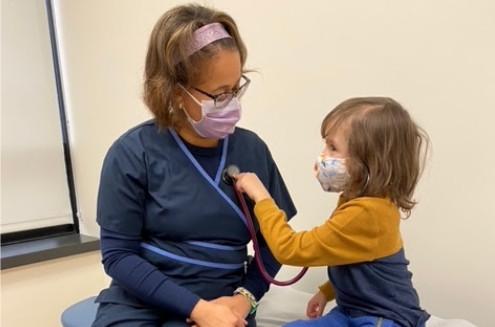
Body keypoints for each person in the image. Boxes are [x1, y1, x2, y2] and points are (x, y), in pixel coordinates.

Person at [92, 4, 296, 327]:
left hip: (225, 302)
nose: (231, 103)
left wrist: (245, 299)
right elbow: (118, 256)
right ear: (175, 91)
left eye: (236, 88)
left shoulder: (252, 150)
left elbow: (276, 244)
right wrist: (198, 309)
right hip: (140, 302)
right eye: (219, 94)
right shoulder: (132, 153)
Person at [235, 97, 431, 327]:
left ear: (369, 162)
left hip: (385, 318)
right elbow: (356, 262)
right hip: (351, 311)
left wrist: (262, 198)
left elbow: (290, 250)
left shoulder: (369, 213)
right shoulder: (358, 202)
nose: (323, 155)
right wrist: (327, 292)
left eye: (333, 147)